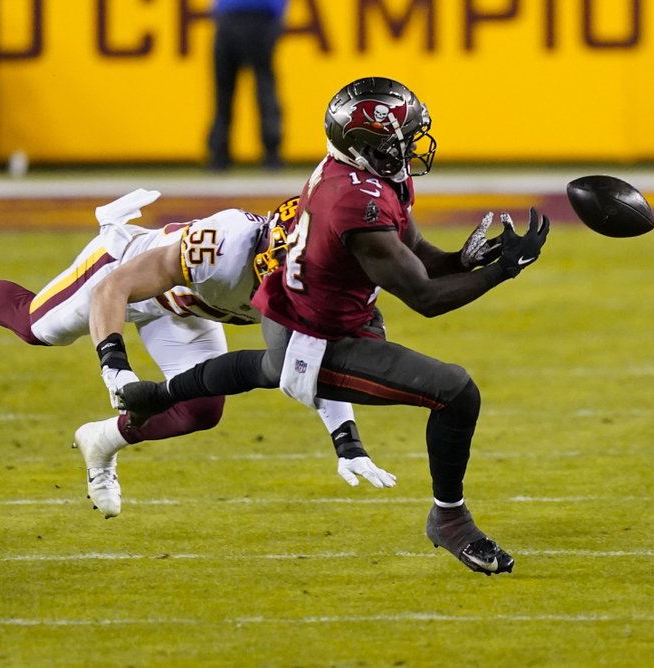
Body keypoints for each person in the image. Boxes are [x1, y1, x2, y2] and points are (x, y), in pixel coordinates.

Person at [118, 77, 551, 575]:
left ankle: (159, 394)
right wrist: (504, 271)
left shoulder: (371, 175)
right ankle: (450, 521)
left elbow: (416, 256)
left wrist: (465, 259)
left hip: (328, 307)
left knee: (265, 367)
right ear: (366, 148)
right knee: (456, 391)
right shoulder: (353, 203)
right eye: (400, 140)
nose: (410, 147)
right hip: (315, 334)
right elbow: (426, 299)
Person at [0, 190, 395, 519]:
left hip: (185, 309)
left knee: (201, 409)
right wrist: (114, 368)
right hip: (123, 272)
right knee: (38, 328)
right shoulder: (224, 246)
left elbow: (314, 359)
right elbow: (114, 289)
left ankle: (101, 441)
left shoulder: (309, 282)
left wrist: (346, 440)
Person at [206, 0, 286, 171]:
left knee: (260, 90)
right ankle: (220, 155)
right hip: (238, 17)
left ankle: (271, 153)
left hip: (257, 17)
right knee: (227, 91)